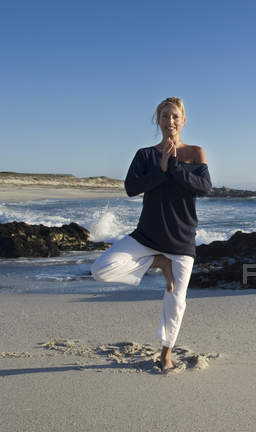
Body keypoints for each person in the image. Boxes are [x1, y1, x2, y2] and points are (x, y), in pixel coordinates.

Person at [90, 97, 212, 372]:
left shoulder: (195, 152)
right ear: (158, 120)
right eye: (165, 116)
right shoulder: (145, 155)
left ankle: (166, 355)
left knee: (176, 302)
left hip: (181, 239)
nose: (170, 121)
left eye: (175, 116)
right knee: (100, 269)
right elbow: (131, 188)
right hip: (147, 236)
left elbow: (203, 188)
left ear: (183, 120)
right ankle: (159, 263)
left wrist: (175, 166)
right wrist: (161, 168)